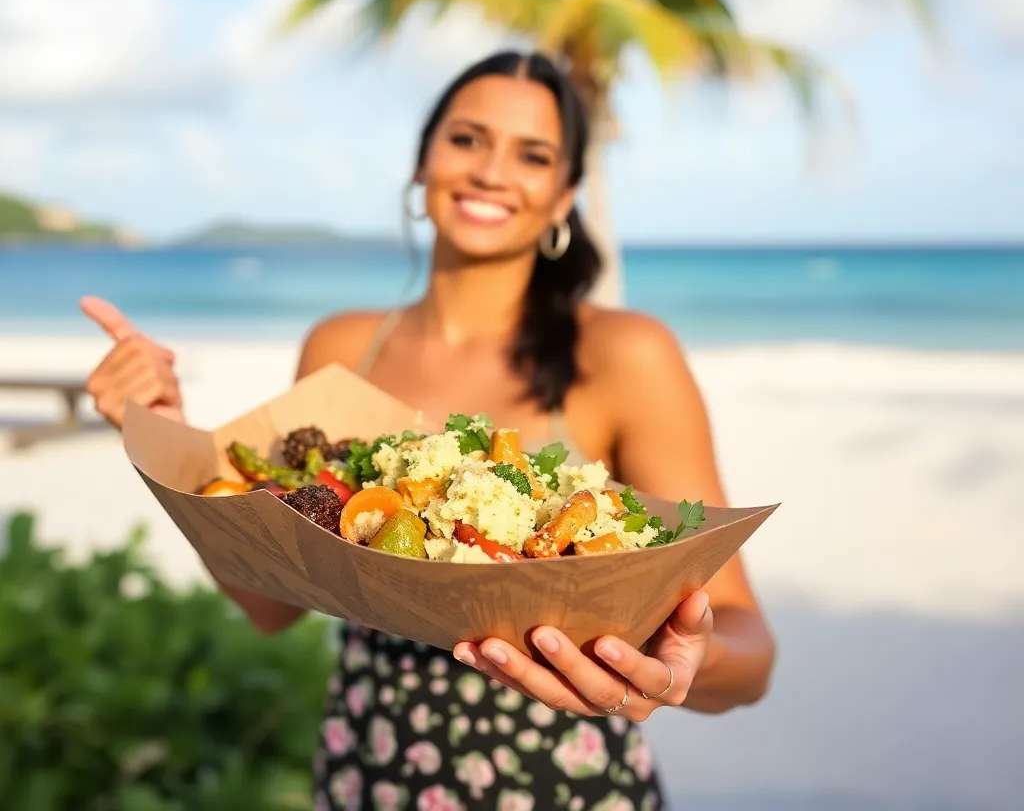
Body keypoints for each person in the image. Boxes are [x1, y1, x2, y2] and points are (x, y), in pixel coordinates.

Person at [82, 50, 776, 811]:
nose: (490, 171)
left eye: (533, 154)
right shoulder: (342, 352)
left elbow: (747, 648)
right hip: (368, 766)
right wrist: (169, 433)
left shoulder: (625, 355)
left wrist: (682, 670)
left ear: (563, 197)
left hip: (559, 784)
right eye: (467, 139)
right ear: (421, 165)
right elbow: (271, 603)